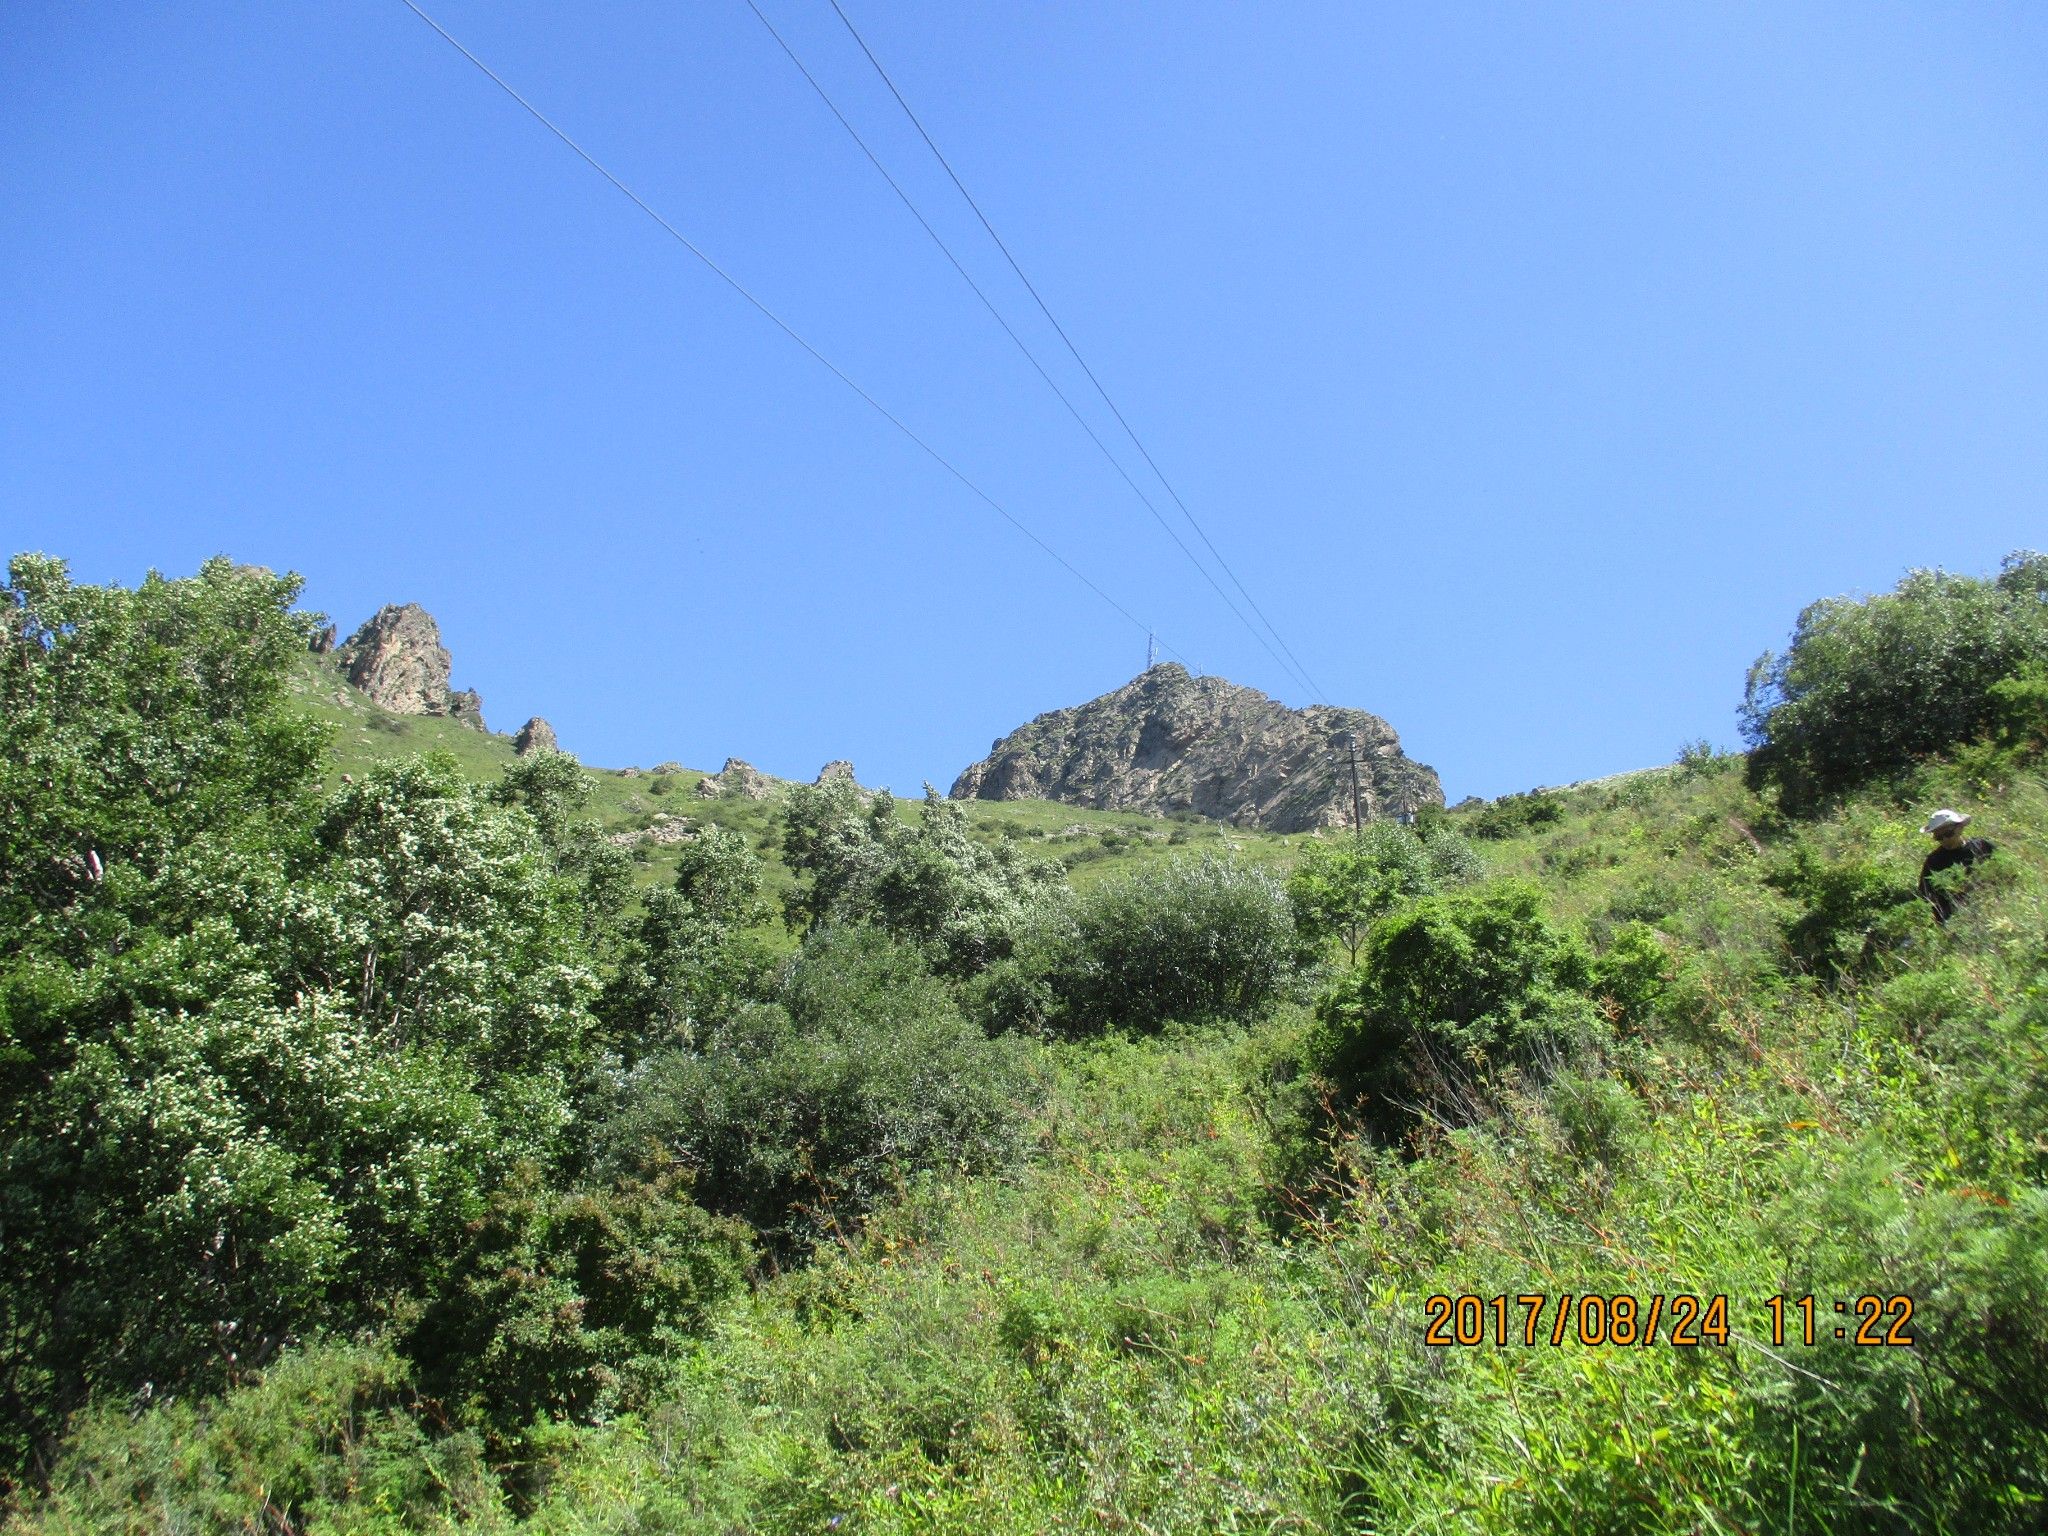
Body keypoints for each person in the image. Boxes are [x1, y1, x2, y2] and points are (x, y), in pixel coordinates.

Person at [1917, 809, 1995, 924]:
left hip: (1991, 910)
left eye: (1948, 834)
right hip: (1953, 921)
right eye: (1938, 837)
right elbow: (1924, 894)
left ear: (1960, 828)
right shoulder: (1933, 861)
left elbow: (2004, 868)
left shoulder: (1981, 846)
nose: (1944, 840)